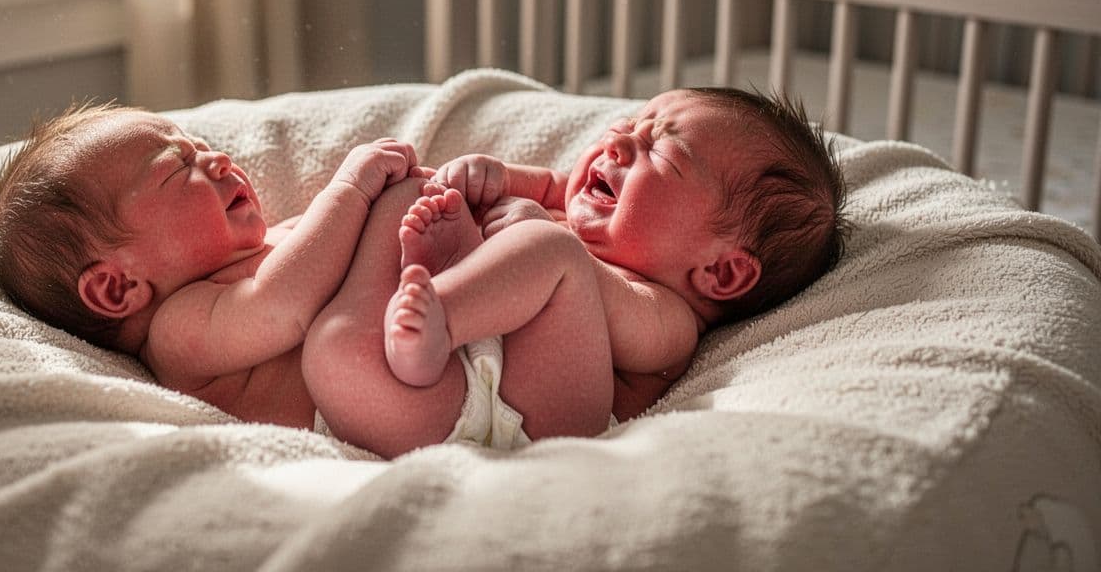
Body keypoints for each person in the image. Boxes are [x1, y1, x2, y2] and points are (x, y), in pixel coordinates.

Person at [301, 86, 846, 458]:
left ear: (721, 273)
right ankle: (388, 318)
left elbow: (550, 241)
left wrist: (532, 226)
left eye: (661, 152)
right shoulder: (573, 210)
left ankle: (441, 307)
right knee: (407, 196)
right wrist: (486, 177)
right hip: (435, 392)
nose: (620, 141)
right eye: (631, 124)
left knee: (553, 253)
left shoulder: (667, 315)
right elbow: (543, 187)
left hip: (518, 421)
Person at [0, 101, 425, 430]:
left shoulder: (272, 242)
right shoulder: (179, 330)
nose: (217, 160)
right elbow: (282, 304)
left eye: (199, 147)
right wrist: (348, 190)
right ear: (117, 287)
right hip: (408, 394)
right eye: (178, 169)